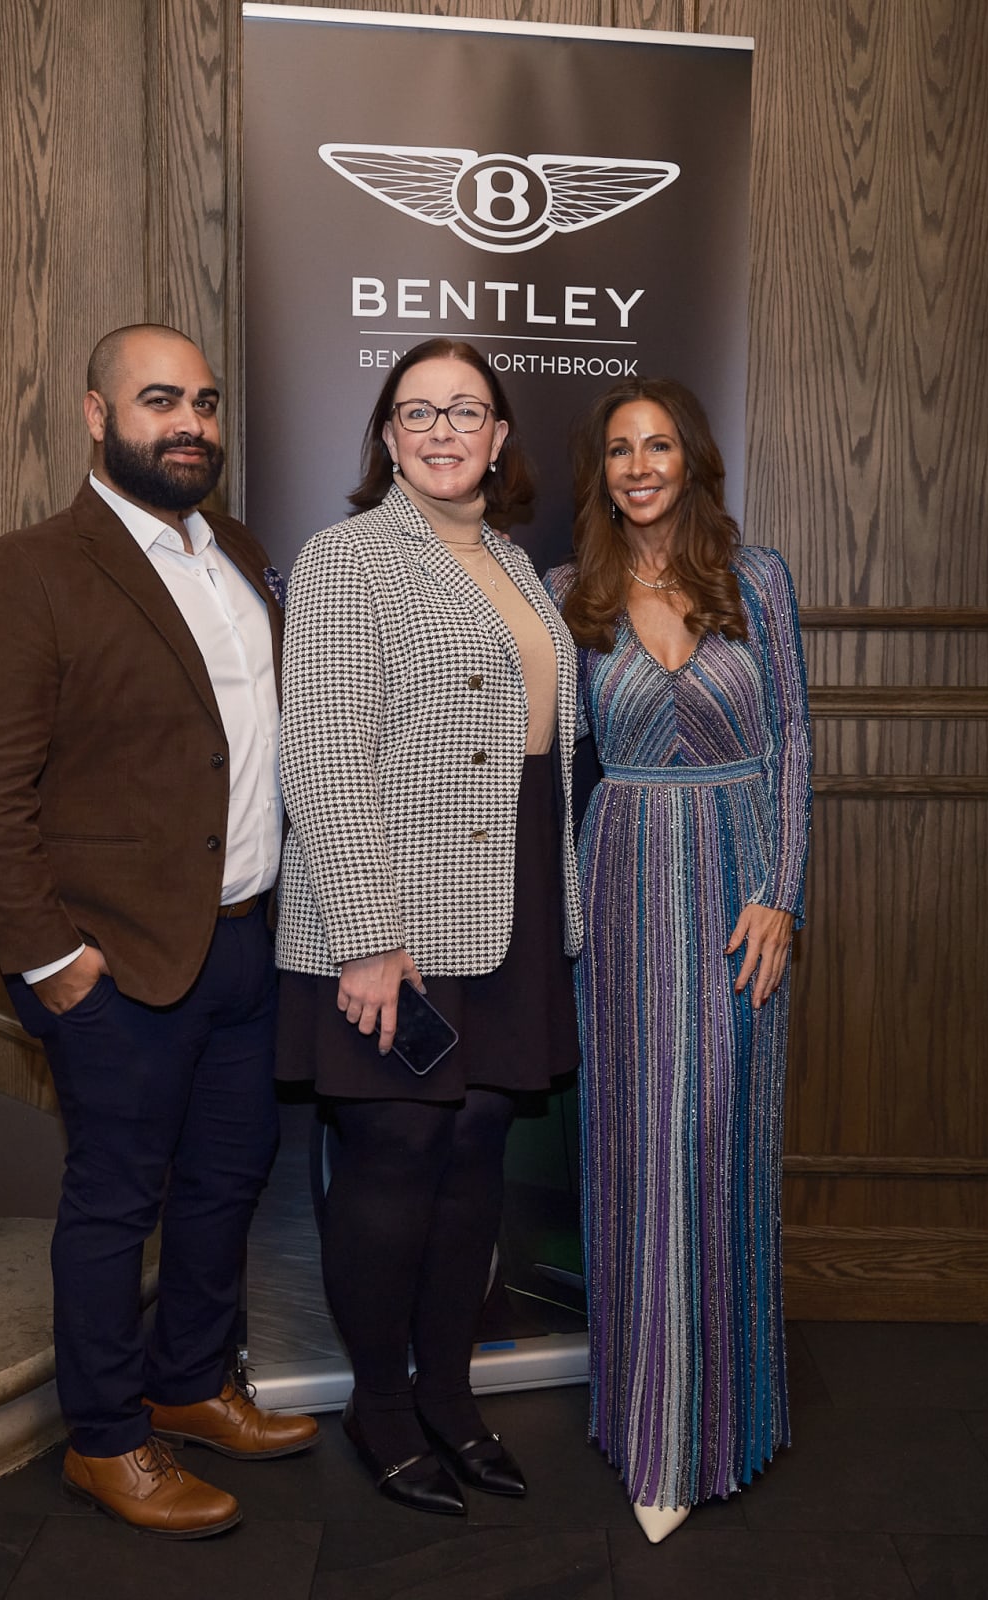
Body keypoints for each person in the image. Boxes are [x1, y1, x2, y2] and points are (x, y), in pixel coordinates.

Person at [0, 324, 317, 1540]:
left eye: (203, 400)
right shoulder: (31, 568)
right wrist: (55, 961)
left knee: (225, 1178)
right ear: (98, 416)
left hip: (247, 942)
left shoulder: (246, 555)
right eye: (160, 400)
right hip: (117, 962)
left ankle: (191, 1382)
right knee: (115, 1201)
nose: (189, 421)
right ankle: (106, 1438)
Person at [275, 338, 582, 1516]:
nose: (443, 430)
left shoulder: (513, 561)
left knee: (472, 1160)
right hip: (393, 910)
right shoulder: (348, 559)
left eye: (467, 411)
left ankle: (450, 1397)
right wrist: (364, 932)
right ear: (388, 437)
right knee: (396, 1159)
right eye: (417, 412)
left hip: (509, 905)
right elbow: (324, 754)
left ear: (500, 439)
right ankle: (381, 1406)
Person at [546, 377, 812, 1544]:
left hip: (737, 883)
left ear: (692, 459)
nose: (640, 465)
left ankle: (724, 1416)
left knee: (715, 1138)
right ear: (599, 472)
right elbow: (541, 766)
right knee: (635, 1144)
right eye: (619, 449)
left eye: (658, 445)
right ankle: (651, 1429)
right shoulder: (571, 593)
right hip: (622, 883)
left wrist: (783, 894)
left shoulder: (758, 580)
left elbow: (793, 734)